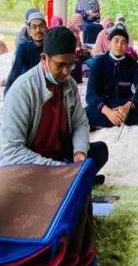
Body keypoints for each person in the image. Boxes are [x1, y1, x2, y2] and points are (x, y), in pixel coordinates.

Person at [0, 27, 108, 183]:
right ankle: (71, 178)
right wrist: (58, 168)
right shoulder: (22, 90)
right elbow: (12, 150)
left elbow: (80, 122)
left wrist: (80, 152)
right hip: (30, 160)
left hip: (57, 155)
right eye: (60, 65)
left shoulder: (68, 84)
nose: (66, 72)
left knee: (99, 151)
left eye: (71, 65)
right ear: (44, 59)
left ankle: (70, 178)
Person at [85, 23, 138, 128]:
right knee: (87, 112)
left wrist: (127, 107)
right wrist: (108, 112)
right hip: (106, 104)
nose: (119, 45)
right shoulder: (99, 63)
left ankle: (114, 121)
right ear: (109, 43)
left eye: (123, 42)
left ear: (127, 46)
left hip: (125, 103)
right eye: (116, 40)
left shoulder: (132, 63)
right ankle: (130, 120)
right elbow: (91, 95)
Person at [4, 11, 48, 94]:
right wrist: (7, 94)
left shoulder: (51, 47)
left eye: (41, 26)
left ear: (46, 28)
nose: (38, 30)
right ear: (29, 31)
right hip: (27, 90)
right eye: (34, 27)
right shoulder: (23, 48)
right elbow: (15, 73)